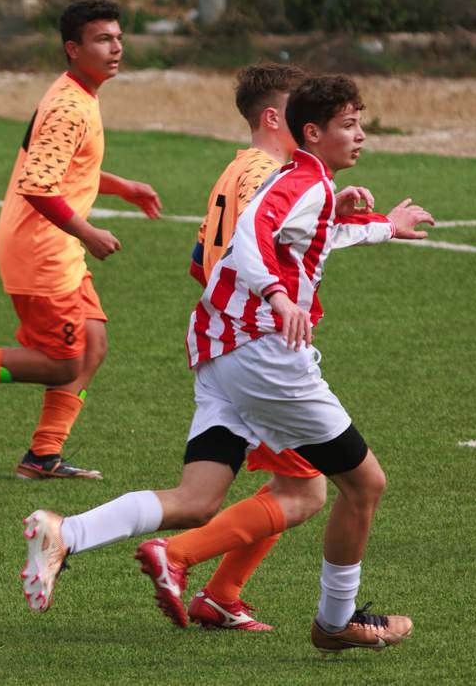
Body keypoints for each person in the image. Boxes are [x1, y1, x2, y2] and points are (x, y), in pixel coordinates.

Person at [22, 75, 435, 654]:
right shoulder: (298, 180)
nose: (361, 135)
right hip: (263, 354)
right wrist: (277, 295)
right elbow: (250, 238)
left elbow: (283, 239)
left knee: (199, 498)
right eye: (349, 125)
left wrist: (386, 225)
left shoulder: (296, 178)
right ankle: (335, 621)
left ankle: (67, 532)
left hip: (220, 351)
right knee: (362, 484)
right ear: (312, 132)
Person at [0, 0, 162, 480]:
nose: (116, 48)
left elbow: (65, 169)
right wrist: (88, 232)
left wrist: (122, 187)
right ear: (73, 49)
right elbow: (38, 186)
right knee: (63, 364)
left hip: (54, 245)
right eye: (103, 39)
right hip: (41, 249)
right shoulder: (69, 107)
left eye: (118, 38)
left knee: (93, 344)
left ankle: (43, 455)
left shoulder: (77, 95)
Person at [155, 62, 331, 633]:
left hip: (235, 342)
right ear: (278, 117)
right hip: (258, 347)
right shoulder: (272, 176)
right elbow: (253, 255)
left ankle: (221, 594)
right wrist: (273, 303)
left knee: (294, 481)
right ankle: (174, 555)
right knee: (309, 484)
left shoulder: (234, 169)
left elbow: (198, 262)